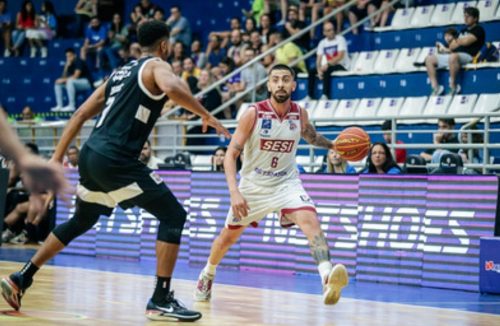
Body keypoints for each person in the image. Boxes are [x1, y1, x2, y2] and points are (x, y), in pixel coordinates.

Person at [1, 20, 230, 322]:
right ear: (164, 45)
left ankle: (22, 277)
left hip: (91, 155)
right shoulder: (156, 65)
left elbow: (81, 113)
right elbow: (173, 87)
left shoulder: (119, 73)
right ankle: (160, 299)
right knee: (173, 215)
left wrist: (57, 158)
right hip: (116, 159)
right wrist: (206, 115)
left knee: (83, 218)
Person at [194, 64, 349, 306]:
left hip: (287, 183)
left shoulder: (300, 114)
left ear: (293, 85)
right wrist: (234, 192)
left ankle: (327, 278)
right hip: (254, 186)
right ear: (268, 85)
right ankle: (208, 273)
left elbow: (311, 137)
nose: (280, 84)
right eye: (275, 79)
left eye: (286, 79)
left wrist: (333, 145)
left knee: (311, 223)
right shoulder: (253, 114)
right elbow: (229, 155)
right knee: (227, 239)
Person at [425, 7, 485, 95]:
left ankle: (453, 86)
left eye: (468, 16)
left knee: (453, 56)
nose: (465, 18)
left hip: (469, 56)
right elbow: (452, 46)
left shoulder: (479, 29)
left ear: (475, 18)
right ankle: (435, 88)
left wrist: (458, 41)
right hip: (455, 55)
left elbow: (466, 42)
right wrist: (460, 41)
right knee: (429, 59)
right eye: (464, 16)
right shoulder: (463, 31)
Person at [315, 21, 349, 100]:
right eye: (328, 30)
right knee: (312, 71)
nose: (331, 32)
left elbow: (340, 56)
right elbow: (318, 59)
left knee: (327, 70)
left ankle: (325, 95)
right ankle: (310, 95)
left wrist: (327, 64)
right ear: (324, 32)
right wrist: (318, 70)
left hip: (341, 65)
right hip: (329, 65)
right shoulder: (322, 42)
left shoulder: (340, 39)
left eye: (332, 29)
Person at [50, 48, 93, 112]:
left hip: (86, 82)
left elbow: (76, 76)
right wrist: (66, 66)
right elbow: (63, 76)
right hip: (75, 83)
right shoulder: (70, 64)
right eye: (67, 56)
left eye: (70, 56)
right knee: (58, 84)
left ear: (74, 55)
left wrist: (63, 80)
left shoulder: (79, 61)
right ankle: (59, 105)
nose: (68, 58)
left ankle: (71, 106)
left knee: (69, 81)